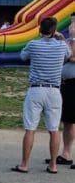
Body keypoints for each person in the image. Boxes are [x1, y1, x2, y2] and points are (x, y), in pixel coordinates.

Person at [12, 17, 71, 174]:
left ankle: (24, 164)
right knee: (54, 129)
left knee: (30, 128)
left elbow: (22, 56)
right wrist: (62, 38)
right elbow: (69, 54)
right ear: (54, 30)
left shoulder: (33, 44)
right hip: (54, 90)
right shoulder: (61, 46)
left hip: (36, 89)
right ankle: (53, 165)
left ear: (40, 29)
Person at [51, 35, 75, 167]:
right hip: (66, 84)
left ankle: (67, 153)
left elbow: (71, 57)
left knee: (71, 120)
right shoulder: (70, 41)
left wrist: (67, 42)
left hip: (73, 83)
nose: (72, 27)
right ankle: (66, 154)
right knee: (68, 120)